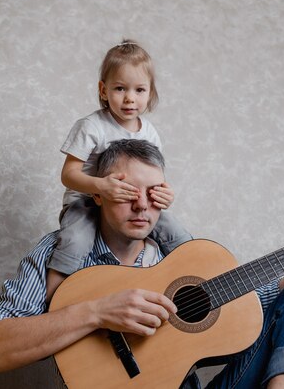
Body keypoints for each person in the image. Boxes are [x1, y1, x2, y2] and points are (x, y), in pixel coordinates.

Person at [0, 139, 284, 389]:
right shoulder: (62, 253)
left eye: (154, 192)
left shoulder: (182, 260)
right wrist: (96, 311)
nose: (143, 205)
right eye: (128, 191)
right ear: (98, 194)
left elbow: (271, 295)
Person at [47, 39, 191, 301]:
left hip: (130, 202)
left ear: (150, 93)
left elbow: (153, 175)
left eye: (139, 90)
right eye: (120, 88)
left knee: (178, 235)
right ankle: (53, 297)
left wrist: (164, 193)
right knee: (76, 242)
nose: (129, 98)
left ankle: (200, 281)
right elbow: (68, 175)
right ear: (103, 90)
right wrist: (101, 186)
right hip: (87, 200)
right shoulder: (91, 126)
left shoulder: (149, 132)